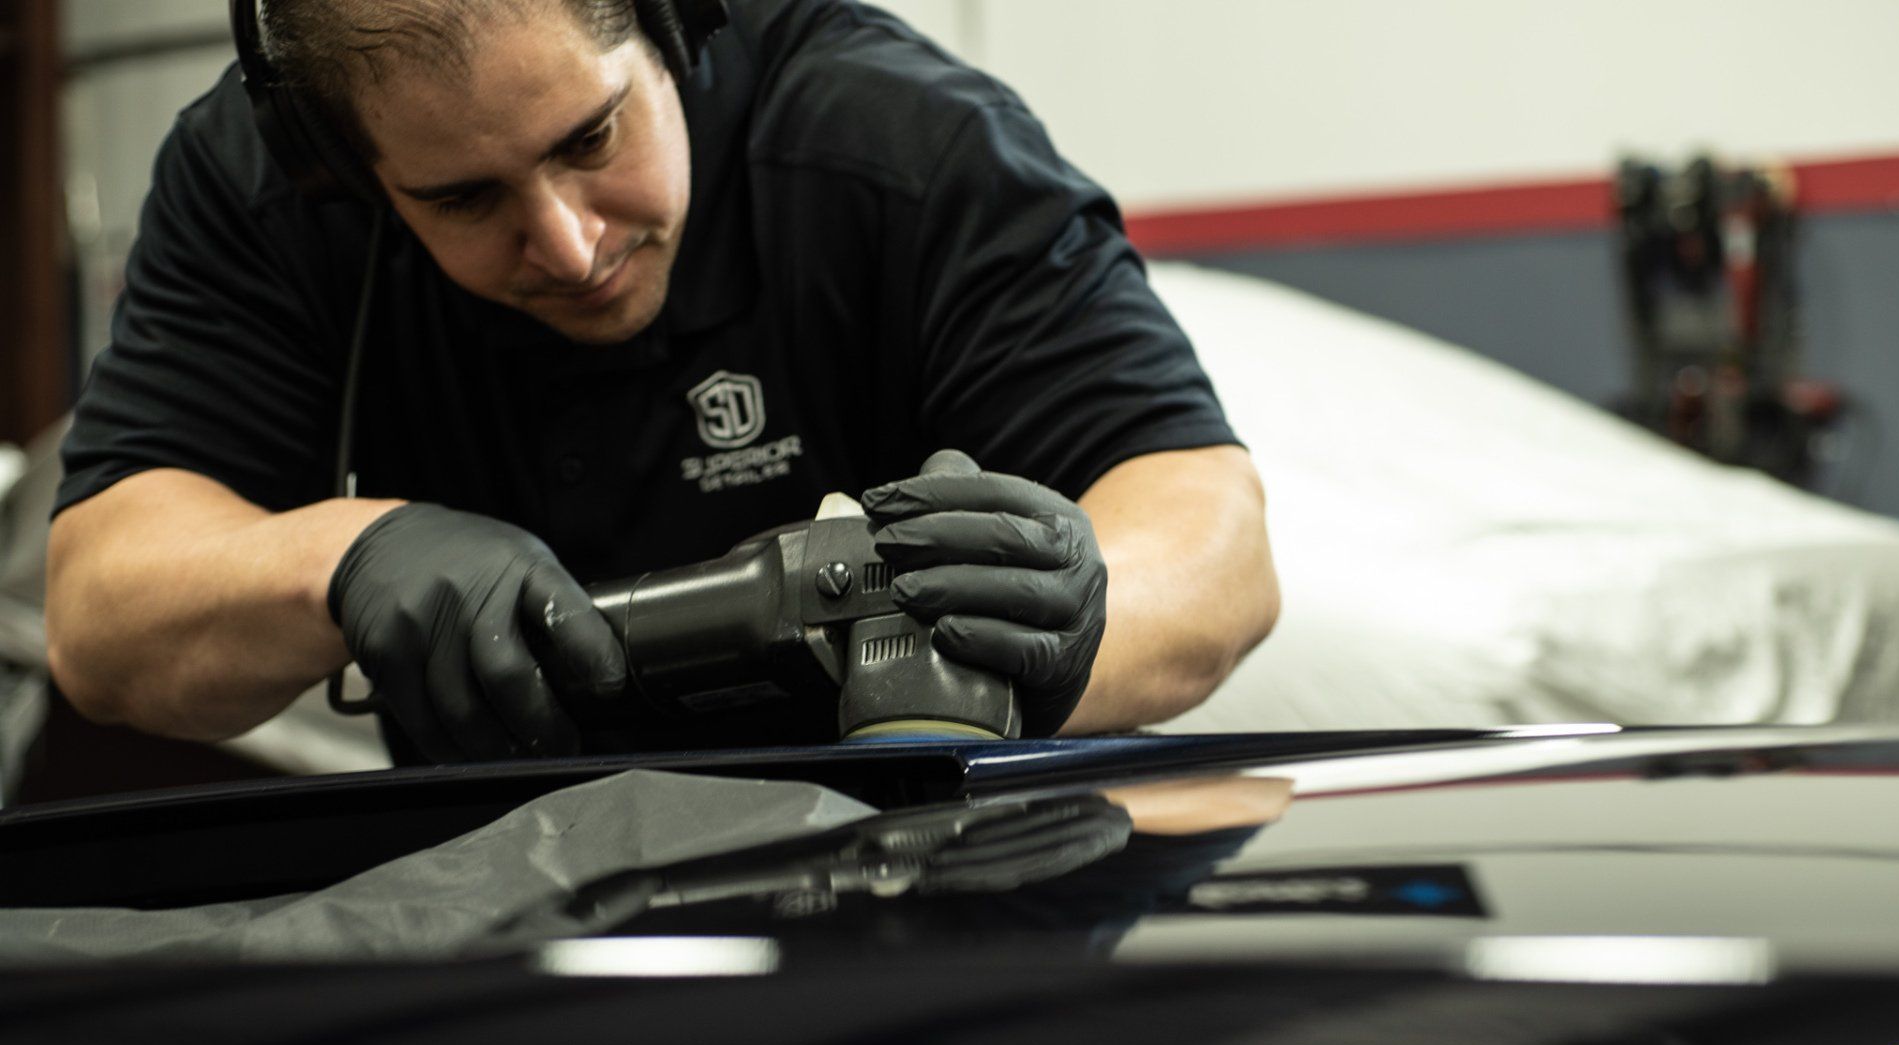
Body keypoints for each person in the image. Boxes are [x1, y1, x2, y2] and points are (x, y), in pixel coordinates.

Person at [45, 0, 1279, 763]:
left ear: (672, 22)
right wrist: (344, 557)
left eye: (591, 138)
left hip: (925, 904)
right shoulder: (259, 191)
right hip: (494, 939)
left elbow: (1217, 543)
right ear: (345, 176)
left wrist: (1074, 619)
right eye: (464, 199)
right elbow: (101, 618)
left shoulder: (899, 140)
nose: (570, 244)